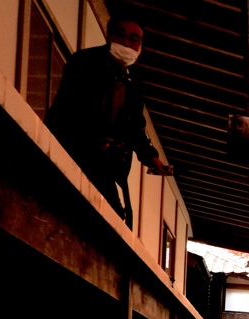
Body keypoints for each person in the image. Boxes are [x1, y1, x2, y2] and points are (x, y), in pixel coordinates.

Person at [45, 16, 168, 229]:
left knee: (111, 218)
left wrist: (151, 156)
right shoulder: (84, 62)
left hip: (106, 164)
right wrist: (94, 140)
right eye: (120, 35)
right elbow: (68, 109)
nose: (126, 44)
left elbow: (135, 127)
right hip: (72, 151)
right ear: (109, 36)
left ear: (140, 46)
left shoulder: (133, 83)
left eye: (134, 39)